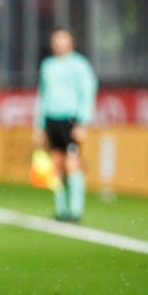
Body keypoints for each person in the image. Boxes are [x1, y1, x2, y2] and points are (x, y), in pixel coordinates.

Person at [33, 27, 98, 222]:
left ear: (71, 43)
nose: (59, 44)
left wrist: (83, 122)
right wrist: (39, 126)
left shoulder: (79, 65)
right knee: (56, 164)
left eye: (63, 40)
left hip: (70, 119)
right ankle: (61, 209)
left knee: (72, 163)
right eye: (56, 41)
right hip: (52, 119)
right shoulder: (48, 65)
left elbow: (88, 93)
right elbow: (42, 96)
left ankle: (76, 210)